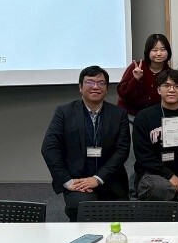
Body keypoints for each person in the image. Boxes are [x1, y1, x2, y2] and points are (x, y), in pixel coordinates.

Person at [41, 66, 130, 222]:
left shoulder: (118, 114)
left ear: (106, 89)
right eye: (90, 82)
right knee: (83, 210)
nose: (95, 87)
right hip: (78, 181)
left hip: (110, 180)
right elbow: (49, 148)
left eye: (101, 83)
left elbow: (122, 151)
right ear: (80, 87)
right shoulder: (64, 112)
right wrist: (67, 181)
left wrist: (98, 178)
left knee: (122, 219)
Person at [133, 69, 178, 201]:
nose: (171, 90)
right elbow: (143, 155)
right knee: (161, 189)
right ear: (159, 90)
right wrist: (169, 176)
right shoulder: (144, 117)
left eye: (177, 86)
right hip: (152, 174)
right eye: (166, 86)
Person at [117, 33, 172, 116]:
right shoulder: (136, 67)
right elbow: (123, 94)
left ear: (168, 51)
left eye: (163, 49)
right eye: (154, 50)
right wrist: (135, 79)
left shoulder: (169, 73)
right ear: (148, 51)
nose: (159, 53)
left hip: (153, 116)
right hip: (129, 114)